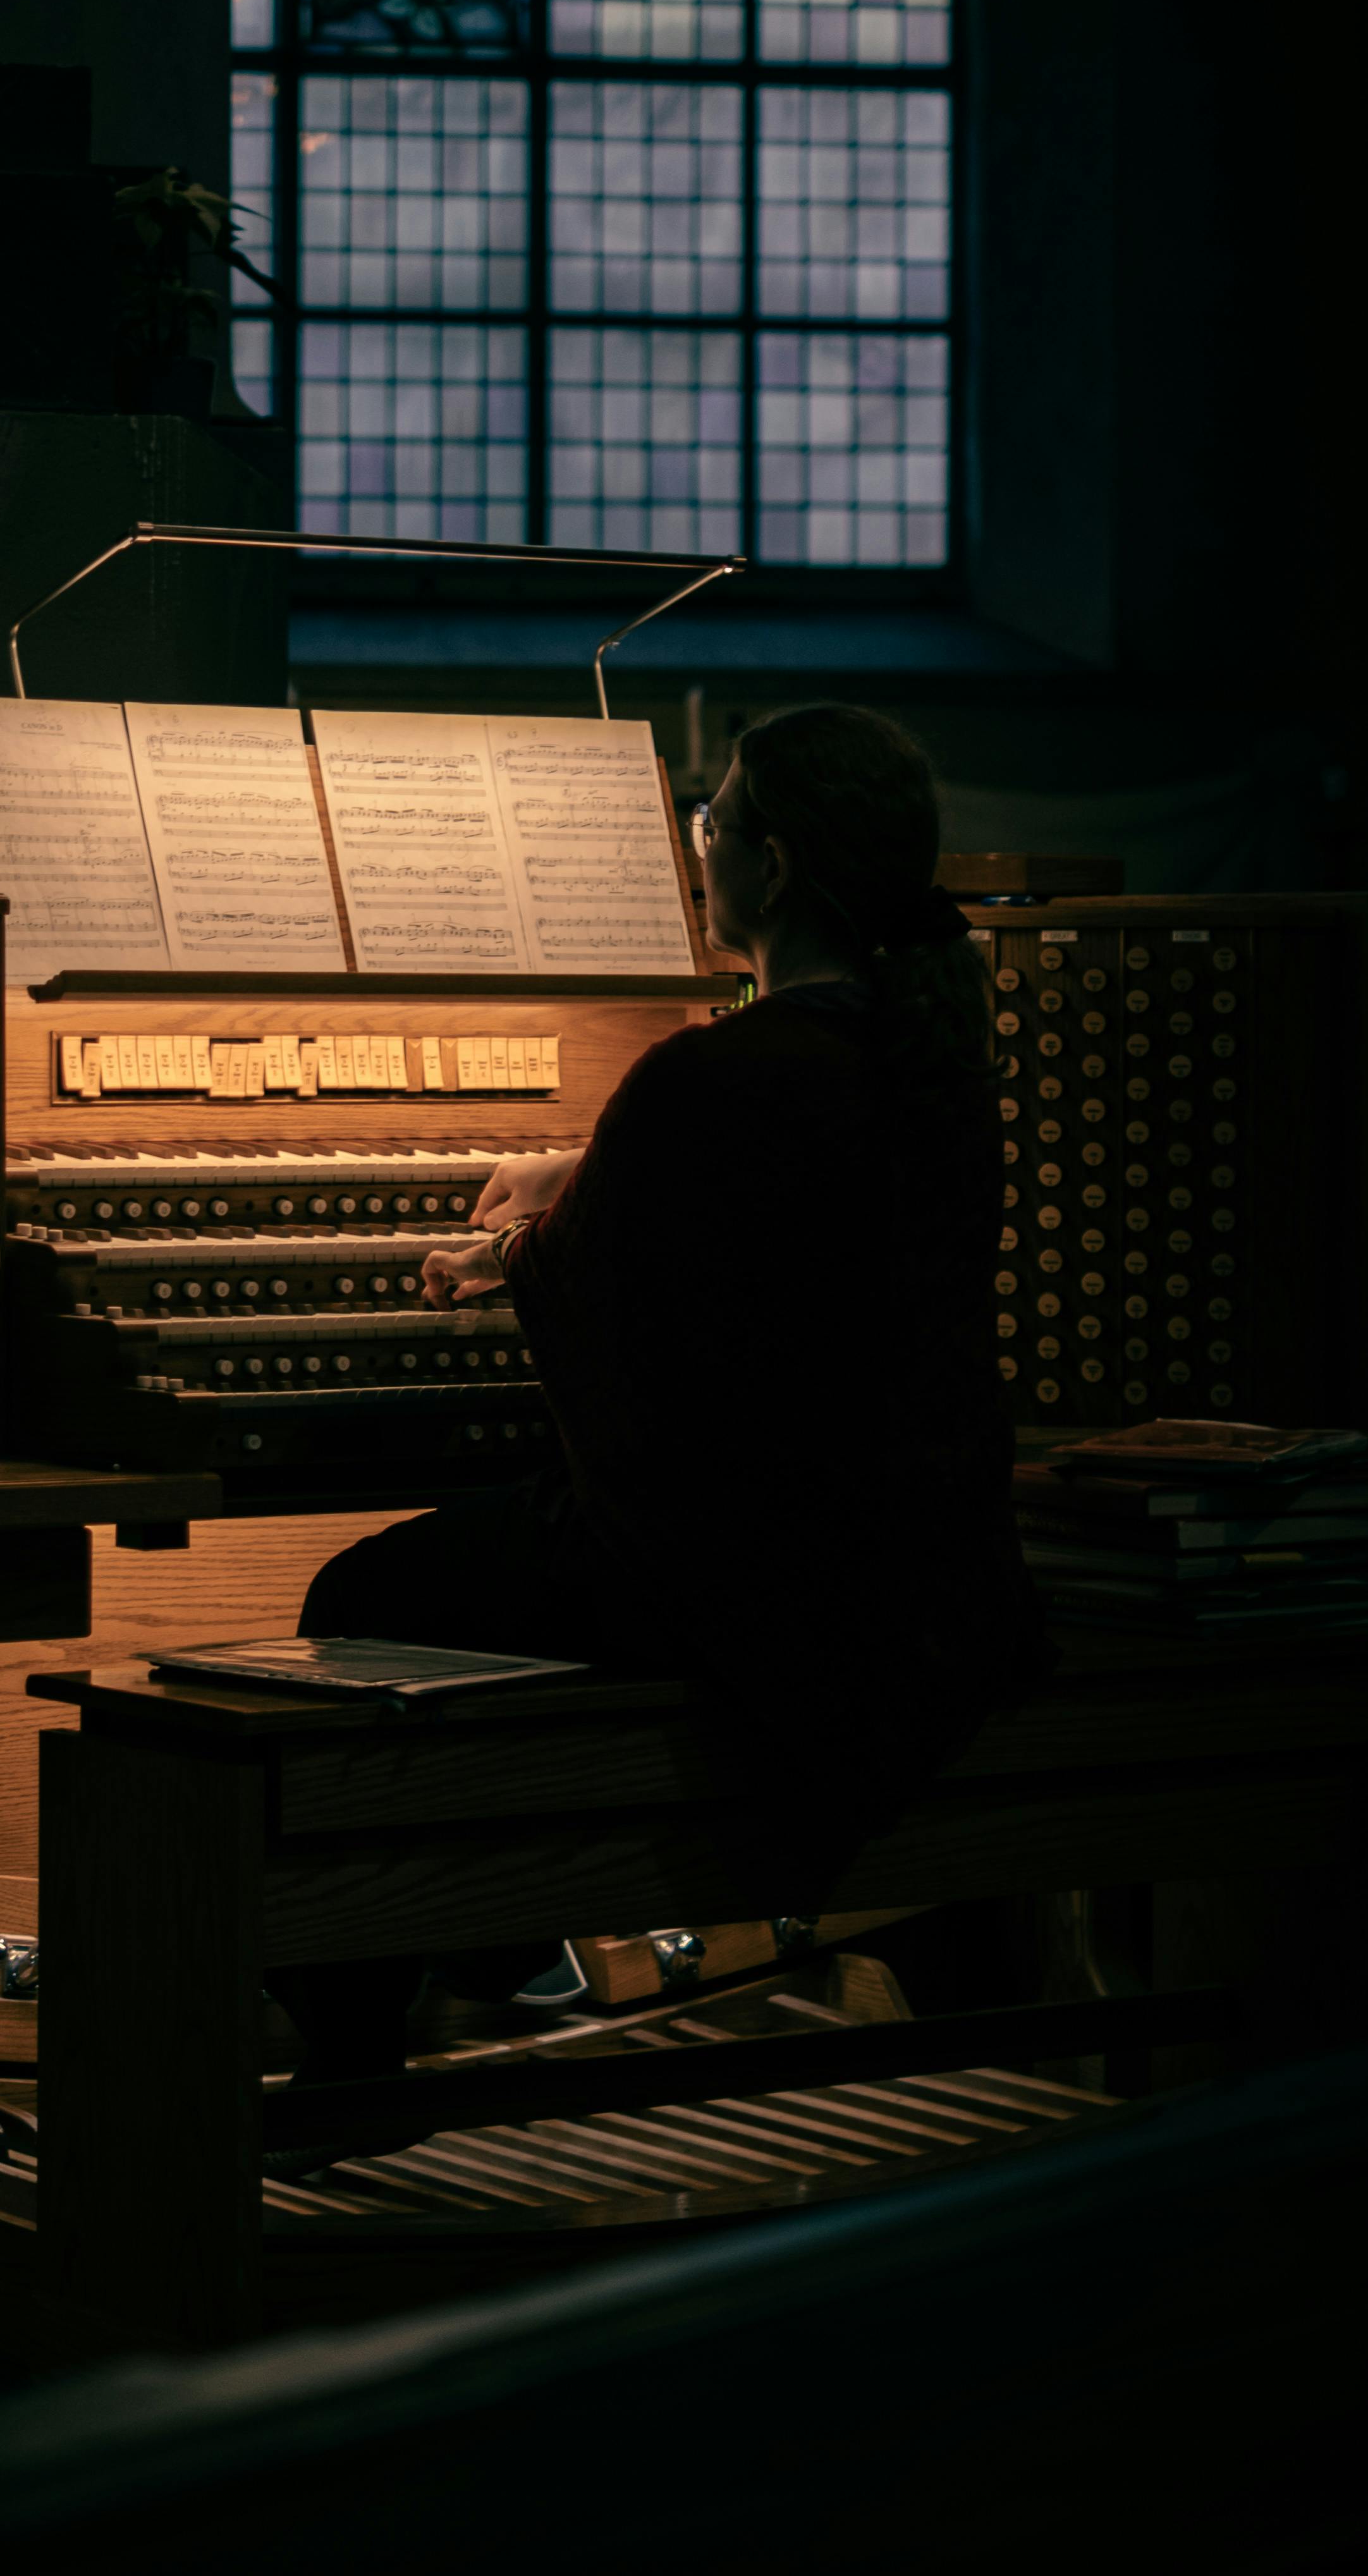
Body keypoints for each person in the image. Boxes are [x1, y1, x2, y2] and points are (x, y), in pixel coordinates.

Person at [276, 701, 1048, 2074]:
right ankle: (493, 1955)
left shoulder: (702, 1076)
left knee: (357, 1600)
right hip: (925, 1564)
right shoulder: (930, 1058)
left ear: (776, 864)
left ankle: (356, 2057)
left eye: (713, 820)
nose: (700, 847)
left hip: (748, 1583)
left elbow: (611, 1351)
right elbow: (774, 1202)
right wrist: (584, 1179)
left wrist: (510, 1248)